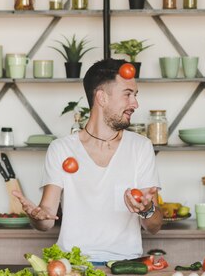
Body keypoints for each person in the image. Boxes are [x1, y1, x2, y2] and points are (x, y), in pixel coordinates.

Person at [12, 58, 162, 263]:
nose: (135, 104)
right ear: (102, 97)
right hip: (72, 266)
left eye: (135, 95)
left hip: (125, 265)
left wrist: (147, 210)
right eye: (128, 94)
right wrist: (36, 216)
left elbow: (154, 226)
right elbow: (46, 221)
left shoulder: (140, 147)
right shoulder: (61, 149)